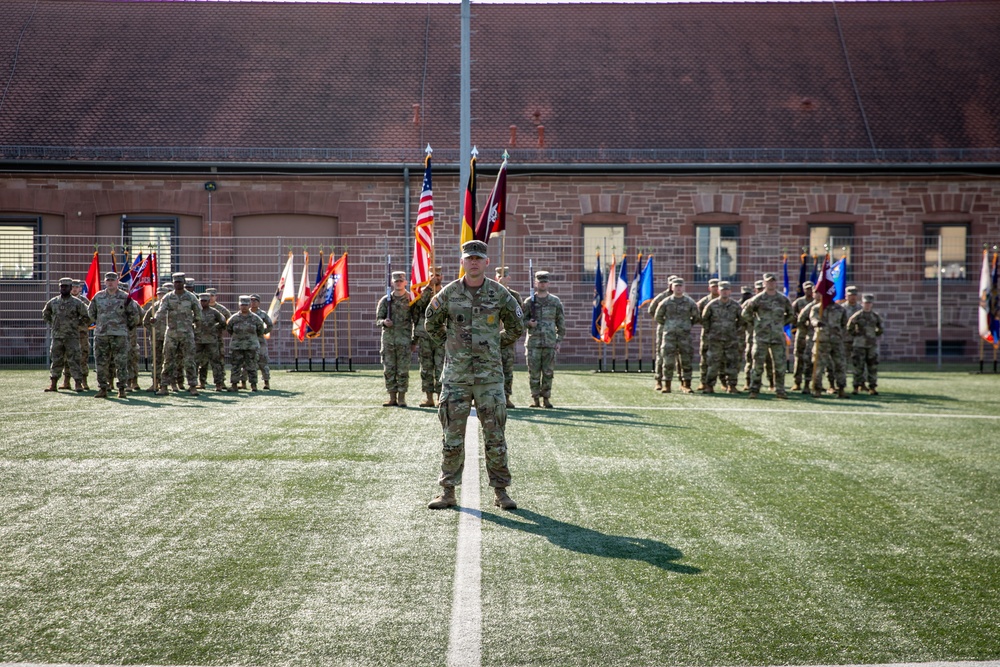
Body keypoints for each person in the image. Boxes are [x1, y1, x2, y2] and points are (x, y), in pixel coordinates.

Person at [425, 240, 525, 511]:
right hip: (456, 377)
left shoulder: (500, 293)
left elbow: (517, 325)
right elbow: (430, 321)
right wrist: (450, 345)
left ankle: (501, 492)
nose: (474, 262)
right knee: (452, 436)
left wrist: (494, 342)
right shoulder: (448, 293)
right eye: (469, 258)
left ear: (486, 262)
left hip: (489, 377)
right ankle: (447, 491)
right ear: (462, 261)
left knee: (495, 436)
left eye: (479, 258)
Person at [87, 272, 140, 399]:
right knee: (101, 362)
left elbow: (134, 315)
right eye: (108, 280)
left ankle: (122, 388)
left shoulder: (125, 297)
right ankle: (103, 388)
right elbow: (91, 313)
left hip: (119, 335)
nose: (110, 282)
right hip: (102, 334)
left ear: (117, 282)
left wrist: (126, 327)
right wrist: (100, 323)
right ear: (104, 282)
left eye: (113, 280)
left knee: (121, 362)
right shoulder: (98, 296)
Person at [741, 272, 794, 399]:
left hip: (777, 337)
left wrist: (780, 324)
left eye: (773, 281)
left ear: (776, 283)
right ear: (764, 283)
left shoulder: (783, 299)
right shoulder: (757, 299)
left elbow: (791, 315)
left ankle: (780, 390)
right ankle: (754, 389)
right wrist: (757, 323)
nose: (771, 283)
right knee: (757, 365)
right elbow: (745, 313)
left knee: (780, 366)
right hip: (761, 337)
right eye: (768, 281)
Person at [153, 272, 202, 396]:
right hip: (171, 333)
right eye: (176, 282)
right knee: (168, 360)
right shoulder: (168, 297)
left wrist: (195, 325)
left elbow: (198, 313)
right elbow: (161, 311)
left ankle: (192, 386)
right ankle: (164, 386)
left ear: (184, 282)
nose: (178, 284)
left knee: (189, 360)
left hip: (187, 333)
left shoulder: (191, 297)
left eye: (180, 281)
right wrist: (155, 318)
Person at [523, 270, 565, 408]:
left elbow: (561, 323)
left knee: (548, 373)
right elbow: (520, 321)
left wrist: (558, 341)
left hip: (549, 342)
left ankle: (546, 399)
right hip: (533, 343)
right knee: (533, 373)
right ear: (535, 283)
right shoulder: (529, 302)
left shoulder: (555, 301)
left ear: (549, 283)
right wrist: (529, 323)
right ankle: (535, 399)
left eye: (545, 281)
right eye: (540, 281)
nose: (542, 284)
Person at [42, 277, 91, 393]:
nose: (63, 288)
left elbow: (87, 316)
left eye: (66, 286)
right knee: (56, 360)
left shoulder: (77, 302)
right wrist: (53, 323)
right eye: (61, 286)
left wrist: (77, 324)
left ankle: (78, 383)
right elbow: (45, 313)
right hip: (57, 337)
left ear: (70, 288)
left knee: (74, 360)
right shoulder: (53, 302)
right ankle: (53, 383)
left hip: (72, 337)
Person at [654, 277, 701, 393]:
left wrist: (686, 325)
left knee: (686, 360)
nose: (678, 288)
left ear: (684, 287)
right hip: (669, 335)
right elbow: (658, 316)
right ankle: (667, 385)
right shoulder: (665, 302)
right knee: (668, 361)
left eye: (680, 286)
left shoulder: (690, 302)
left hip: (684, 336)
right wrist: (668, 325)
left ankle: (686, 384)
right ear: (671, 287)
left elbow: (696, 316)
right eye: (676, 286)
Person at [376, 270, 415, 407]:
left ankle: (402, 397)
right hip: (388, 341)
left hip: (404, 341)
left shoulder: (411, 299)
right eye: (396, 281)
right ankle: (392, 397)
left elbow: (416, 320)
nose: (398, 283)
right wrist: (384, 322)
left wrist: (414, 340)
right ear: (392, 283)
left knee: (403, 370)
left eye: (401, 281)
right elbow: (378, 319)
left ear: (405, 282)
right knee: (389, 369)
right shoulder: (386, 300)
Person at [700, 281, 743, 394]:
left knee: (731, 363)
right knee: (713, 363)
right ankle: (709, 386)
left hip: (730, 339)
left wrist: (733, 330)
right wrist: (711, 332)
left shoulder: (735, 305)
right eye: (722, 290)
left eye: (726, 290)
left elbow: (741, 320)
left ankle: (731, 386)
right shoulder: (712, 304)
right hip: (715, 340)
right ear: (718, 291)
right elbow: (704, 320)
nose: (724, 292)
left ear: (730, 291)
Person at [412, 266, 445, 408]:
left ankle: (440, 396)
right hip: (425, 336)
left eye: (437, 275)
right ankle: (428, 397)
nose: (435, 277)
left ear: (441, 277)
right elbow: (419, 306)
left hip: (440, 335)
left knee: (440, 367)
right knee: (426, 367)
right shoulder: (424, 292)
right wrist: (429, 288)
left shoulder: (445, 292)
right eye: (432, 275)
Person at [807, 295, 849, 398]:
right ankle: (817, 389)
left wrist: (839, 334)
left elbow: (844, 324)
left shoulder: (840, 309)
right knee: (818, 366)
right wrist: (817, 323)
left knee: (840, 365)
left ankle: (841, 388)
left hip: (836, 341)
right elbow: (813, 319)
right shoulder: (816, 308)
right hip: (822, 341)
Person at [494, 266, 524, 408]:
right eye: (499, 276)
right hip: (491, 339)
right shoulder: (490, 293)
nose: (502, 278)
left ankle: (506, 396)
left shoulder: (514, 295)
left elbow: (519, 316)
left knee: (507, 369)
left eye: (504, 275)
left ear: (509, 277)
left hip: (506, 339)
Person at [847, 294, 884, 395]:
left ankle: (872, 387)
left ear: (872, 304)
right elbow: (849, 327)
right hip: (859, 345)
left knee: (872, 367)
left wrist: (873, 335)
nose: (867, 305)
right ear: (862, 303)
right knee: (858, 367)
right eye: (865, 303)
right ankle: (856, 386)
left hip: (871, 345)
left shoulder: (875, 316)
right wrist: (857, 335)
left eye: (869, 303)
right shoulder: (858, 315)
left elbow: (881, 328)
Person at [226, 295, 265, 391]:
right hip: (237, 346)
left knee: (252, 366)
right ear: (239, 305)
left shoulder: (256, 318)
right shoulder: (234, 318)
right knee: (236, 366)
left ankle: (253, 385)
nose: (244, 307)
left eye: (246, 305)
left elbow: (260, 330)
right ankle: (234, 385)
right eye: (242, 305)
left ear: (249, 305)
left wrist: (252, 338)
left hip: (251, 346)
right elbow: (229, 329)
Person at [60, 279, 91, 390]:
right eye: (72, 287)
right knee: (66, 357)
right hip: (67, 334)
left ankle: (84, 381)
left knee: (83, 356)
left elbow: (90, 316)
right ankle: (66, 381)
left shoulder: (85, 301)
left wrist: (81, 325)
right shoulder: (62, 300)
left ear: (80, 289)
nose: (74, 289)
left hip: (81, 334)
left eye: (77, 287)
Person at [647, 277, 677, 392]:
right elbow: (651, 310)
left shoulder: (684, 297)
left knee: (680, 357)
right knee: (661, 355)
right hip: (664, 330)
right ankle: (659, 381)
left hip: (680, 332)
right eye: (672, 283)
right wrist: (664, 322)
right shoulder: (662, 297)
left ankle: (683, 382)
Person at [195, 292, 228, 392]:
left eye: (205, 301)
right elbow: (189, 322)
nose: (203, 303)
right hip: (198, 341)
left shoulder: (214, 312)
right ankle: (198, 383)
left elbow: (223, 322)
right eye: (201, 301)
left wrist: (215, 328)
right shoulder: (196, 312)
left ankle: (218, 384)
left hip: (211, 341)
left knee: (215, 363)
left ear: (209, 301)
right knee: (197, 363)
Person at [142, 285, 170, 391]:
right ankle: (155, 383)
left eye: (163, 294)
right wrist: (152, 329)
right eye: (159, 294)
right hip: (156, 338)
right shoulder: (153, 307)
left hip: (169, 337)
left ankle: (169, 383)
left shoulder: (170, 305)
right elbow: (145, 321)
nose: (161, 296)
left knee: (168, 360)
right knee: (156, 360)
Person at [695, 278, 720, 391]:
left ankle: (724, 382)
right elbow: (697, 316)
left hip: (723, 335)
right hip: (707, 334)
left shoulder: (726, 300)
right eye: (713, 286)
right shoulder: (703, 302)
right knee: (705, 358)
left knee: (723, 359)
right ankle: (703, 382)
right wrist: (707, 324)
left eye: (717, 286)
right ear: (709, 288)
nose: (715, 288)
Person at [791, 281, 815, 392]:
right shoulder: (799, 302)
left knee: (811, 359)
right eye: (807, 289)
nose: (809, 291)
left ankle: (810, 382)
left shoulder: (817, 303)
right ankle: (797, 382)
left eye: (811, 289)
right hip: (801, 334)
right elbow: (791, 315)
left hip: (813, 334)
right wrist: (795, 328)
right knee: (799, 358)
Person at [249, 294, 273, 390]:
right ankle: (244, 382)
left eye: (255, 300)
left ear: (259, 302)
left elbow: (270, 324)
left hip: (260, 341)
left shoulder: (262, 314)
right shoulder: (245, 313)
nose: (253, 302)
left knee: (263, 362)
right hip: (248, 341)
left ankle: (266, 382)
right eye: (251, 300)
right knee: (247, 363)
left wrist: (263, 332)